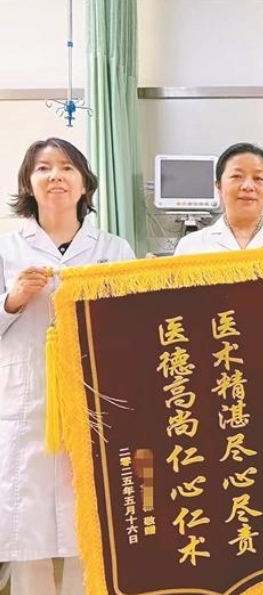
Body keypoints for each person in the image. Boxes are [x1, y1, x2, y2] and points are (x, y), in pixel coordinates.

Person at [0, 138, 136, 595]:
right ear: (28, 183)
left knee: (92, 528)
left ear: (84, 185)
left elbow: (134, 326)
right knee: (27, 530)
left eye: (66, 168)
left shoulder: (113, 249)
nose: (55, 176)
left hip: (94, 403)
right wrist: (12, 300)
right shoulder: (7, 249)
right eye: (43, 168)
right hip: (28, 406)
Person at [173, 142, 263, 255]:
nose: (248, 186)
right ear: (219, 187)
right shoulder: (190, 247)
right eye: (237, 176)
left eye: (258, 178)